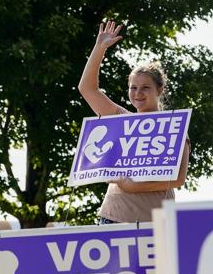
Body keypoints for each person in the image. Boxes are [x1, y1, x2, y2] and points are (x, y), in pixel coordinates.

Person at [78, 21, 190, 223]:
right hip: (112, 218)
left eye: (145, 87)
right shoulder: (120, 119)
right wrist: (99, 48)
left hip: (156, 222)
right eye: (133, 87)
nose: (138, 93)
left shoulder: (173, 126)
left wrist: (130, 185)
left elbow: (177, 179)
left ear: (160, 90)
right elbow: (87, 89)